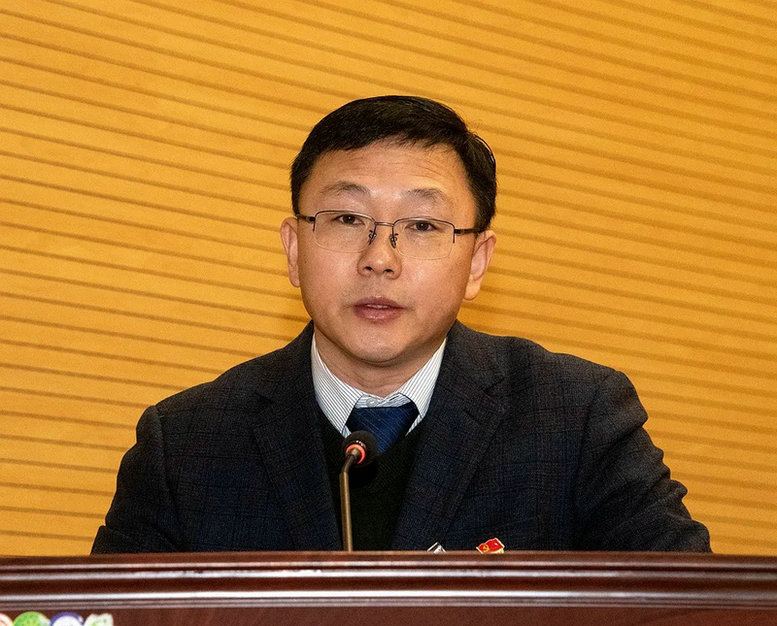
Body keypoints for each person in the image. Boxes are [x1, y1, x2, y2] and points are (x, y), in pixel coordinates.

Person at [92, 95, 710, 553]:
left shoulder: (576, 420)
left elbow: (693, 606)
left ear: (477, 262)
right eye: (345, 219)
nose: (379, 258)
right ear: (293, 251)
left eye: (421, 226)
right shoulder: (187, 444)